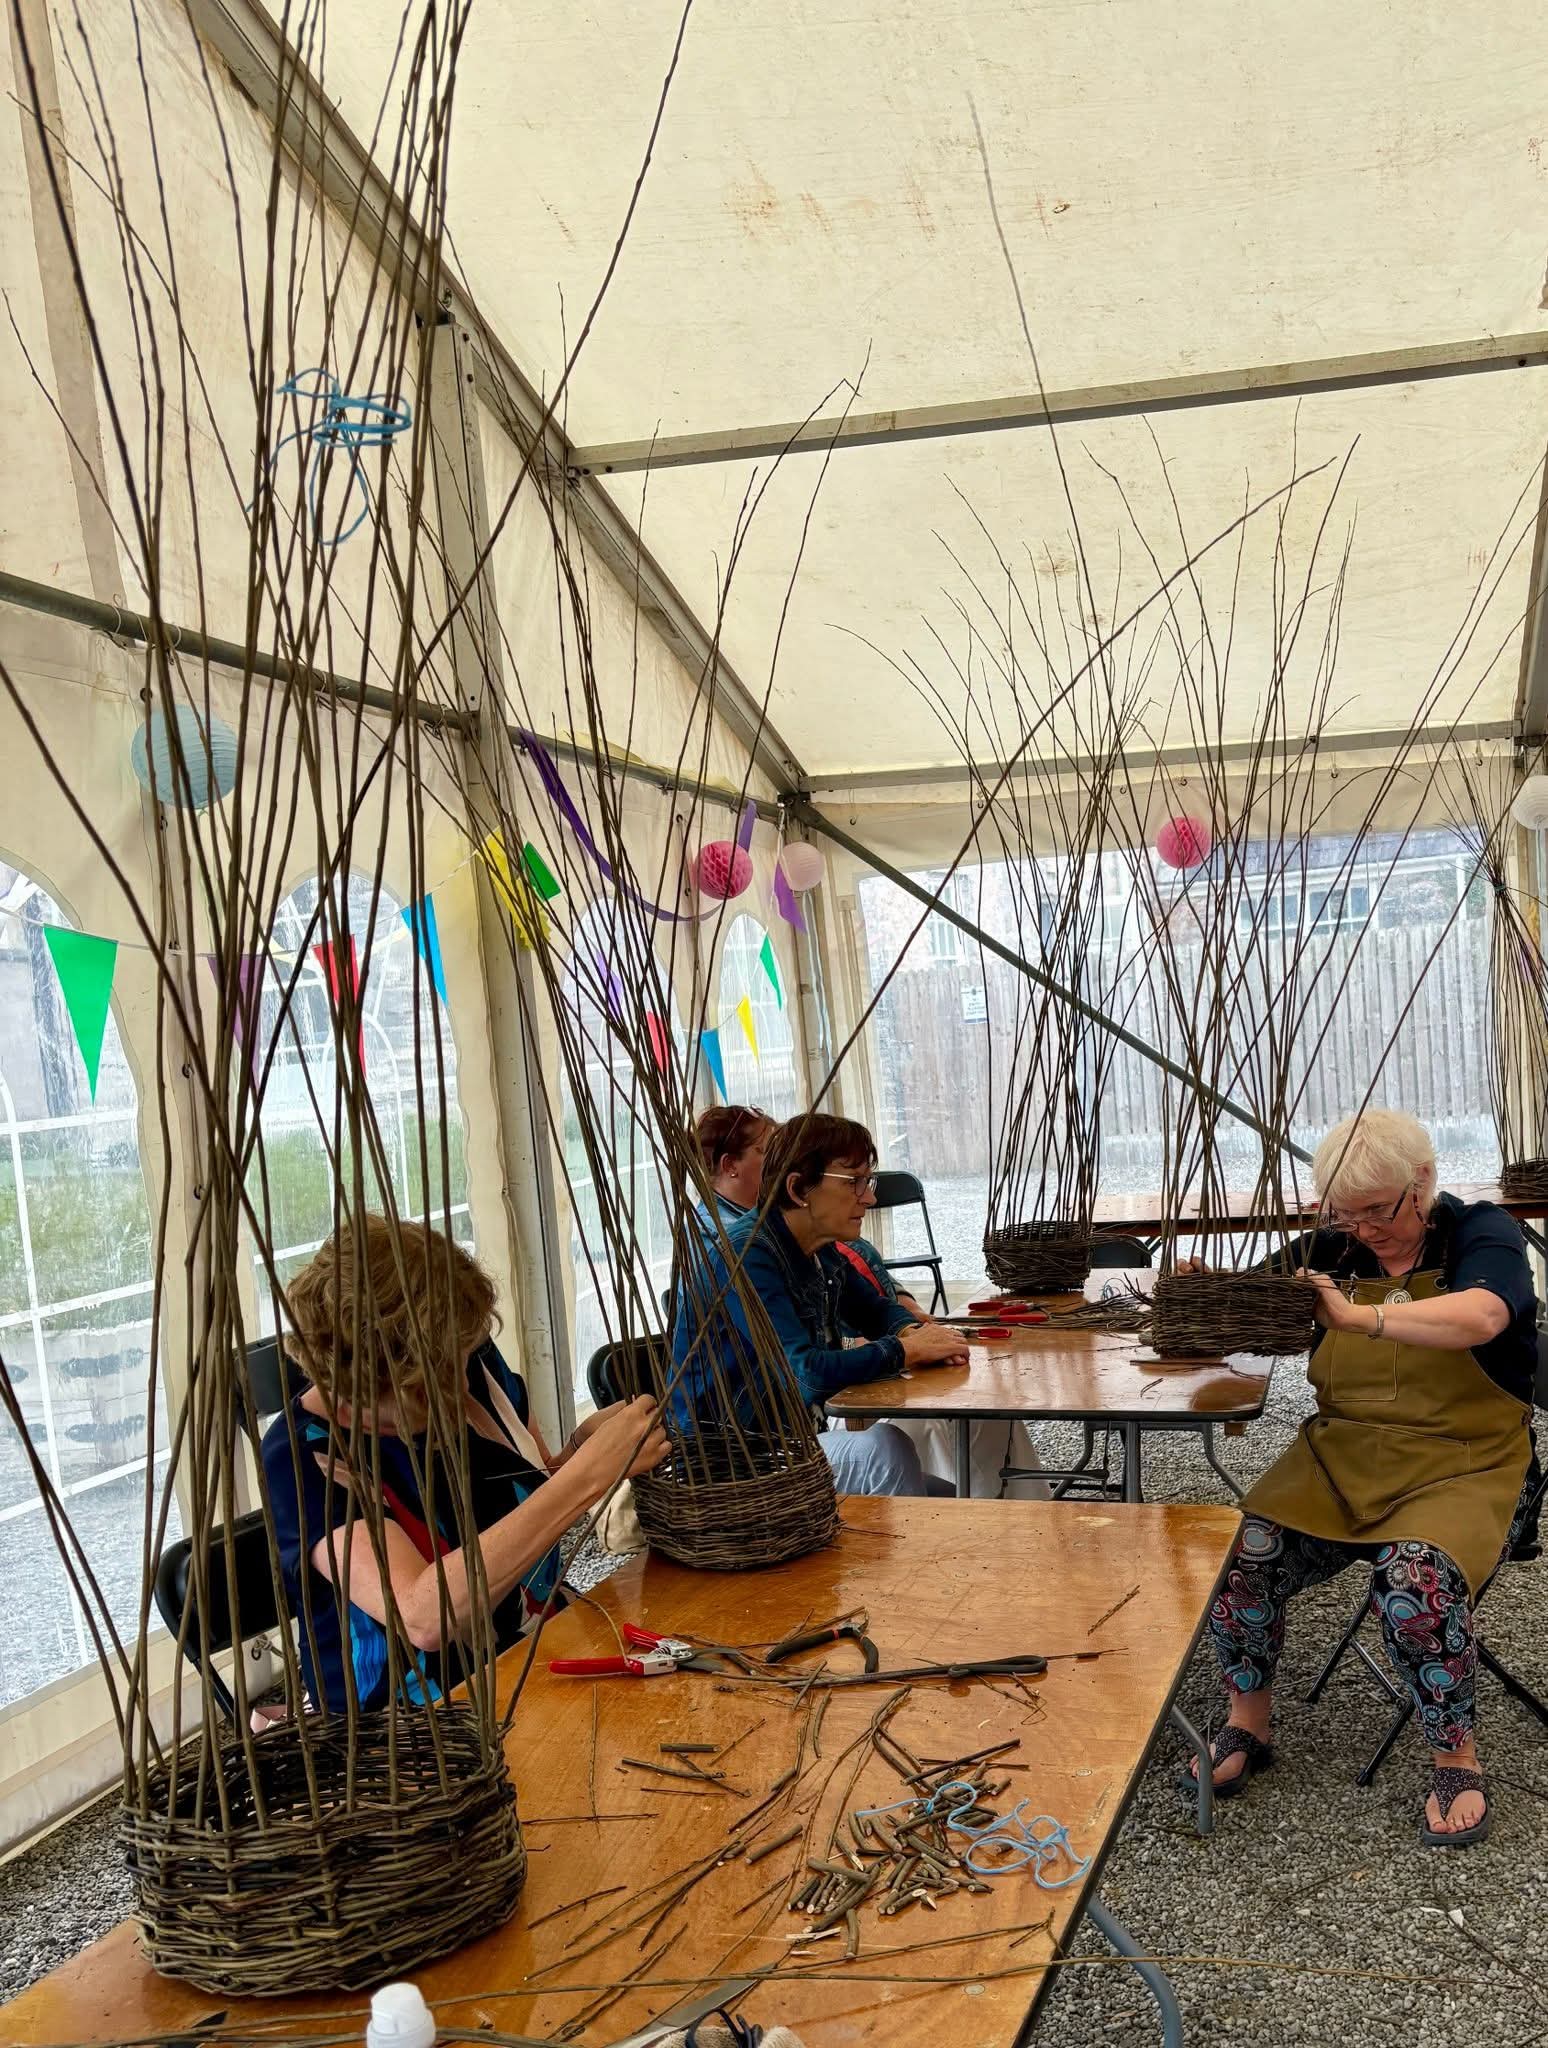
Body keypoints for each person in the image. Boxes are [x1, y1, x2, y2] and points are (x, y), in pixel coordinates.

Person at [1185, 1110, 1537, 1846]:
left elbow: (1483, 1315)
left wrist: (1361, 1320)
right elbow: (1254, 1310)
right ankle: (1248, 1722)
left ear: (1424, 1183)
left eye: (1379, 1210)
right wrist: (1209, 1292)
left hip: (1463, 1464)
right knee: (1240, 1552)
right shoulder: (1330, 1247)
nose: (1364, 1230)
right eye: (1346, 1213)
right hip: (1340, 1458)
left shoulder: (1481, 1233)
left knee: (1415, 1576)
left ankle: (1455, 1758)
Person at [263, 1215, 667, 1713]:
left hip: (543, 1649)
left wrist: (582, 1452)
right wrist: (586, 1479)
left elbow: (527, 1498)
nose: (460, 1387)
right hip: (422, 1725)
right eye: (438, 1372)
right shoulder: (307, 1457)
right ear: (367, 1376)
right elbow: (422, 1614)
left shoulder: (471, 1365)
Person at [674, 1112, 969, 1495]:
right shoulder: (746, 1256)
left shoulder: (818, 1249)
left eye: (869, 1180)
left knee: (953, 1501)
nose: (870, 1197)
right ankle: (900, 1557)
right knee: (885, 1451)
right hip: (733, 1463)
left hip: (786, 1442)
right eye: (854, 1182)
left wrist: (915, 1331)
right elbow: (805, 1377)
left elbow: (873, 1308)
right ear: (798, 1190)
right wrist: (906, 1350)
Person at [694, 1104, 932, 1320]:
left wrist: (906, 1321)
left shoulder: (805, 1228)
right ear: (730, 1165)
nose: (783, 1161)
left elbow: (863, 1295)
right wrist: (899, 1348)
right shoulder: (733, 1244)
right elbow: (800, 1358)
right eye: (768, 1151)